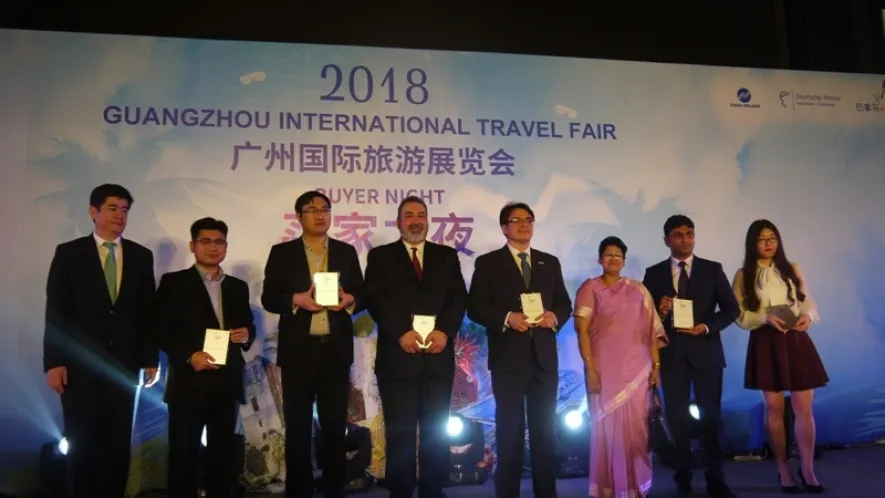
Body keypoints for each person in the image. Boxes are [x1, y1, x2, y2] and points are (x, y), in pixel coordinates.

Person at [43, 183, 159, 498]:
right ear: (93, 211)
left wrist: (151, 359)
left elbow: (147, 311)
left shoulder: (140, 255)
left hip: (124, 365)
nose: (119, 215)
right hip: (78, 366)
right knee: (82, 442)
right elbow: (56, 312)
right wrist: (54, 362)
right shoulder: (69, 253)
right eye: (112, 208)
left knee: (117, 445)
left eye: (124, 209)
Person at [260, 190, 364, 498]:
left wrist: (350, 299)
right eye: (312, 209)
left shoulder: (346, 251)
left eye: (325, 209)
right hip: (299, 352)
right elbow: (269, 298)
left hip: (335, 351)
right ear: (298, 216)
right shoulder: (282, 253)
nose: (320, 215)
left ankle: (334, 490)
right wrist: (296, 300)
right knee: (298, 428)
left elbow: (361, 293)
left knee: (334, 427)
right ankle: (299, 491)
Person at [364, 196, 468, 498]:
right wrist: (401, 332)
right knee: (400, 432)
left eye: (421, 215)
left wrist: (444, 332)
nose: (415, 221)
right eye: (408, 215)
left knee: (436, 431)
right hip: (398, 358)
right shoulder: (381, 256)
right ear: (398, 222)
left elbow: (458, 297)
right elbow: (375, 298)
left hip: (437, 357)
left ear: (428, 221)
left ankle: (433, 490)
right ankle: (400, 491)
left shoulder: (446, 256)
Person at [467, 202, 573, 498]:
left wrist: (554, 317)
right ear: (504, 228)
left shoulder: (549, 262)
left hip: (543, 360)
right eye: (517, 220)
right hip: (508, 361)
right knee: (510, 434)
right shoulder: (488, 263)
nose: (524, 225)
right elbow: (475, 307)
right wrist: (507, 318)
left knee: (544, 435)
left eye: (529, 220)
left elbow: (564, 304)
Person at [156, 217, 256, 498]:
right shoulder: (174, 283)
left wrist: (246, 334)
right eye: (206, 241)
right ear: (193, 245)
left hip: (227, 381)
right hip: (190, 380)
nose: (213, 247)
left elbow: (248, 324)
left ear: (226, 246)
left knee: (223, 458)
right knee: (184, 456)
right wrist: (190, 357)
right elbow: (160, 329)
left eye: (219, 242)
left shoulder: (237, 286)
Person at [641, 214, 739, 498]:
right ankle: (682, 479)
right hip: (672, 357)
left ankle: (716, 480)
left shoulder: (712, 269)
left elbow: (732, 310)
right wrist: (661, 310)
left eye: (689, 233)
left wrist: (706, 327)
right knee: (677, 421)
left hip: (707, 354)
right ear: (666, 240)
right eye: (678, 235)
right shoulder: (654, 274)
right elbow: (645, 319)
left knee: (711, 419)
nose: (685, 239)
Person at [731, 219, 827, 494]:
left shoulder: (792, 268)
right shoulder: (743, 275)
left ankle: (807, 469)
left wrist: (808, 316)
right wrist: (764, 318)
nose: (768, 243)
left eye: (772, 238)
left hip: (795, 339)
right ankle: (783, 469)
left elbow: (808, 300)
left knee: (804, 408)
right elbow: (739, 314)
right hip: (766, 341)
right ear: (753, 243)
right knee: (774, 408)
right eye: (762, 239)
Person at [574, 236, 668, 498]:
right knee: (606, 431)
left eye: (618, 255)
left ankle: (636, 487)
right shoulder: (590, 288)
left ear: (624, 261)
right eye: (608, 254)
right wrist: (590, 370)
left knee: (637, 430)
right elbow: (582, 330)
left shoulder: (639, 290)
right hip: (604, 372)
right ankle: (610, 487)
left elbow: (652, 331)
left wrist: (656, 367)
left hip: (638, 372)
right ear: (599, 259)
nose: (613, 259)